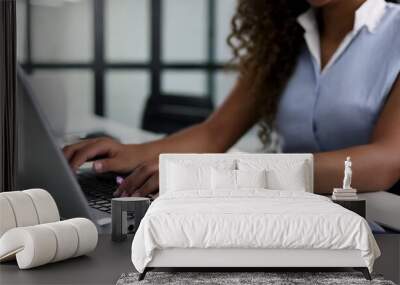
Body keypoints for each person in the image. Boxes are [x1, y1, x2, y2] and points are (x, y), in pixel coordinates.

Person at [63, 0, 400, 197]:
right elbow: (214, 133)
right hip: (287, 220)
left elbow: (385, 161)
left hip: (377, 235)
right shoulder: (284, 40)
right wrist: (130, 153)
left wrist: (229, 171)